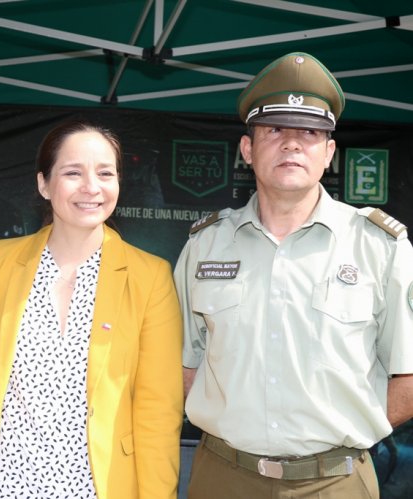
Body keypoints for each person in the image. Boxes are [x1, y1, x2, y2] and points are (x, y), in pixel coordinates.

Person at [175, 51, 413, 499]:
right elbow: (185, 364)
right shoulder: (205, 245)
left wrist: (349, 426)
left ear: (329, 153)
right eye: (275, 130)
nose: (291, 144)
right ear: (248, 150)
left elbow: (409, 375)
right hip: (223, 476)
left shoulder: (380, 247)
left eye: (310, 132)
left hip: (336, 481)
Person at [0, 120, 184, 499]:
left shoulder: (150, 277)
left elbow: (158, 414)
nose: (91, 187)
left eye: (104, 173)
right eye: (73, 172)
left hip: (97, 487)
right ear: (44, 184)